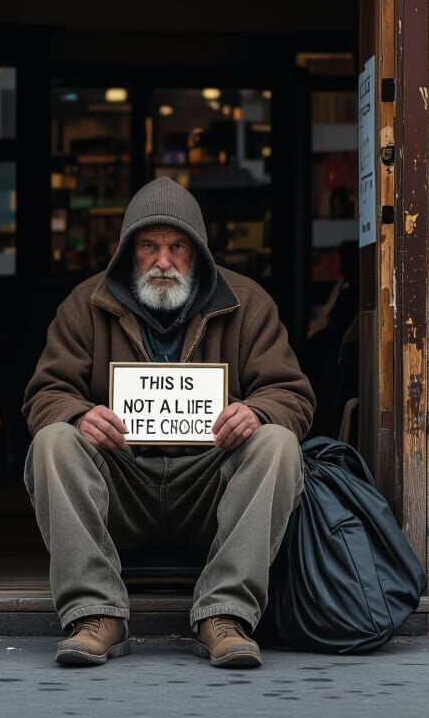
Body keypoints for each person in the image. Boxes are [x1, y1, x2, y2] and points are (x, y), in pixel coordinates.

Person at [23, 176, 315, 668]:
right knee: (54, 441)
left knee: (278, 443)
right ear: (127, 253)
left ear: (198, 252)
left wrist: (258, 411)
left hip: (211, 484)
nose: (163, 261)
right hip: (122, 483)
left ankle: (226, 615)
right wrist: (79, 415)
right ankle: (96, 615)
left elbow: (292, 394)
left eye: (177, 246)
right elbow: (45, 395)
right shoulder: (84, 304)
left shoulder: (249, 304)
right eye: (149, 247)